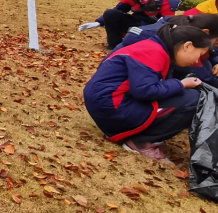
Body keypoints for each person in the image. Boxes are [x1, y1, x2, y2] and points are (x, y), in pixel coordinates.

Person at [84, 24, 210, 165]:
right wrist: (181, 84)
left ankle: (141, 134)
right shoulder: (153, 52)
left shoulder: (152, 46)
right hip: (112, 108)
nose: (197, 61)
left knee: (185, 96)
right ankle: (141, 143)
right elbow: (144, 91)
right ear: (187, 46)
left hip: (107, 104)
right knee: (194, 100)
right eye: (199, 54)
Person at [117, 14, 218, 99]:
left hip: (126, 77)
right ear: (205, 32)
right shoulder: (160, 48)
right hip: (117, 97)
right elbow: (204, 75)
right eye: (217, 39)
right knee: (192, 98)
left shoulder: (181, 28)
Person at [79, 0, 179, 49]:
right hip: (135, 21)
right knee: (110, 13)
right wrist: (99, 22)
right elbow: (118, 10)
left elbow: (166, 24)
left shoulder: (166, 2)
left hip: (152, 28)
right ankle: (114, 44)